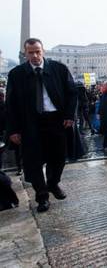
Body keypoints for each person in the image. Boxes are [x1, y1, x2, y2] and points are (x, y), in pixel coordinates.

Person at [6, 38, 77, 213]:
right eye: (31, 52)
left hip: (56, 120)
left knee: (59, 157)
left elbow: (72, 93)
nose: (35, 55)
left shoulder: (58, 69)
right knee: (34, 162)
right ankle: (42, 197)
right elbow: (11, 104)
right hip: (30, 123)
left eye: (38, 51)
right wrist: (13, 129)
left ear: (43, 51)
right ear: (25, 54)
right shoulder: (16, 74)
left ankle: (53, 183)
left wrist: (69, 115)